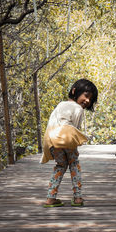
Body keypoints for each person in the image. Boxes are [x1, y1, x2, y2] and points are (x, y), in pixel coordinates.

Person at [40, 79, 98, 208]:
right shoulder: (78, 109)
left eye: (90, 100)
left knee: (60, 166)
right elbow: (74, 130)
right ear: (74, 91)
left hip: (53, 139)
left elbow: (52, 123)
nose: (87, 101)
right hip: (66, 138)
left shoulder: (60, 105)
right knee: (74, 165)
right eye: (86, 96)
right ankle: (77, 198)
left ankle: (50, 198)